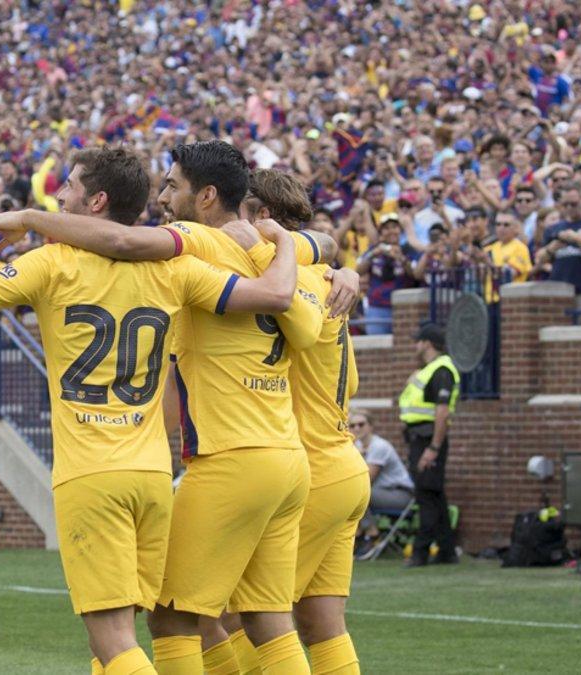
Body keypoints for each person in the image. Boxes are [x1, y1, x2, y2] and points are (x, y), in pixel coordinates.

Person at [0, 144, 304, 674]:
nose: (58, 196)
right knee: (145, 630)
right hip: (151, 475)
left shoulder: (53, 263)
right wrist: (304, 247)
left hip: (92, 473)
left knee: (116, 639)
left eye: (67, 187)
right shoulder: (178, 271)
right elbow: (266, 295)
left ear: (96, 201)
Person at [0, 141, 346, 673]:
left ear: (208, 195)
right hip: (288, 457)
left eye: (172, 186)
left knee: (169, 619)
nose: (163, 197)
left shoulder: (196, 242)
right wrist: (308, 249)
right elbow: (322, 253)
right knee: (268, 617)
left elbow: (121, 239)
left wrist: (31, 217)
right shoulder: (278, 250)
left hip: (229, 455)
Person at [225, 168, 370, 675]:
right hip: (344, 466)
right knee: (320, 621)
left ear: (262, 217)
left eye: (238, 209)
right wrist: (338, 264)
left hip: (313, 470)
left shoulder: (280, 273)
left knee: (242, 618)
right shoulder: (323, 276)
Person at [399, 324, 460, 567]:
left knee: (425, 495)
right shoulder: (429, 370)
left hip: (428, 439)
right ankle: (447, 551)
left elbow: (442, 413)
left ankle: (420, 552)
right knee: (435, 494)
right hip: (421, 437)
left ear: (427, 343)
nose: (416, 345)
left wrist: (433, 448)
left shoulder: (441, 370)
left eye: (418, 341)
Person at [349, 410, 414, 555]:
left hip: (401, 495)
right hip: (378, 492)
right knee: (351, 492)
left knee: (357, 493)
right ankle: (361, 533)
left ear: (371, 426)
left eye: (361, 424)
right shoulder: (356, 446)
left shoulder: (379, 446)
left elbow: (367, 478)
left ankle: (370, 533)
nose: (357, 429)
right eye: (352, 426)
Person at [536, 182, 581, 324]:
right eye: (565, 205)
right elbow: (540, 260)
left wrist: (576, 238)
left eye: (573, 204)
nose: (569, 208)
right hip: (557, 291)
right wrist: (554, 246)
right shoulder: (554, 228)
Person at [356, 214, 417, 335]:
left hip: (403, 308)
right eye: (386, 228)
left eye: (394, 227)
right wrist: (374, 253)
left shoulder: (407, 250)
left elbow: (415, 274)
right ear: (381, 232)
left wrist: (401, 258)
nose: (391, 231)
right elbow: (359, 270)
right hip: (377, 307)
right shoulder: (374, 250)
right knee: (376, 346)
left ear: (400, 230)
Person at [485, 214, 533, 283]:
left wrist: (488, 263)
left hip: (511, 293)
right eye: (498, 224)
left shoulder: (520, 248)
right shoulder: (490, 248)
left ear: (515, 228)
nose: (501, 228)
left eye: (506, 225)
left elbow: (510, 274)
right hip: (490, 293)